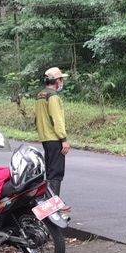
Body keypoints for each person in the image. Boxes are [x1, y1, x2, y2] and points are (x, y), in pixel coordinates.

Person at [35, 67, 71, 196]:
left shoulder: (40, 95)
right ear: (57, 81)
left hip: (45, 137)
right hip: (55, 138)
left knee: (49, 171)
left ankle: (48, 201)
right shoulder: (53, 96)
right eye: (61, 79)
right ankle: (53, 205)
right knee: (56, 172)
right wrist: (64, 139)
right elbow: (57, 119)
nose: (62, 82)